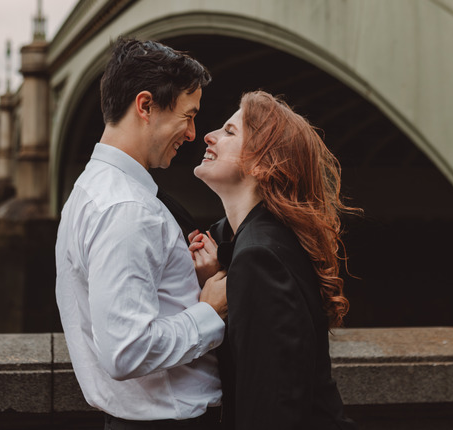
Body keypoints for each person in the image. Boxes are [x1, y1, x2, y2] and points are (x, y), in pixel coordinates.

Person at [55, 37, 228, 430]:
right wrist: (210, 312)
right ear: (145, 105)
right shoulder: (128, 209)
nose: (192, 133)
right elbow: (127, 351)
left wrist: (185, 280)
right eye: (188, 115)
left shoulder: (90, 191)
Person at [188, 90, 357, 429]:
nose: (209, 135)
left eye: (230, 131)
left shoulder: (258, 257)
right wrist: (216, 275)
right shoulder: (257, 242)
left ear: (261, 163)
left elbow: (270, 401)